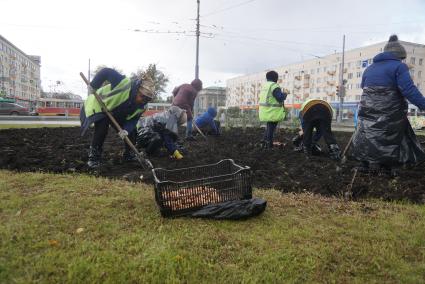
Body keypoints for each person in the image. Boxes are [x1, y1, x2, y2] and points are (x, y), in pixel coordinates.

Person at [351, 35, 425, 175]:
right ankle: (386, 167)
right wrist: (423, 104)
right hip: (390, 111)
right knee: (389, 136)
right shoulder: (399, 66)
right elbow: (408, 90)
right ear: (399, 56)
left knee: (369, 134)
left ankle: (369, 163)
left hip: (368, 110)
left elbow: (363, 87)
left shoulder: (369, 69)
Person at [80, 67, 154, 168]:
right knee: (102, 128)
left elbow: (133, 120)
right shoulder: (123, 83)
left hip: (116, 113)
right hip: (101, 105)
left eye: (147, 99)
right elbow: (106, 71)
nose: (144, 100)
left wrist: (126, 130)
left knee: (132, 132)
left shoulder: (142, 106)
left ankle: (129, 155)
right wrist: (94, 85)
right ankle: (94, 158)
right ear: (137, 90)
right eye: (142, 96)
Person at [258, 70, 288, 148]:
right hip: (272, 112)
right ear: (276, 78)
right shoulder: (274, 86)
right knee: (271, 129)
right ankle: (269, 145)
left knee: (269, 127)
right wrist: (285, 94)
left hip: (265, 111)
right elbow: (280, 98)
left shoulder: (265, 86)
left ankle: (264, 142)